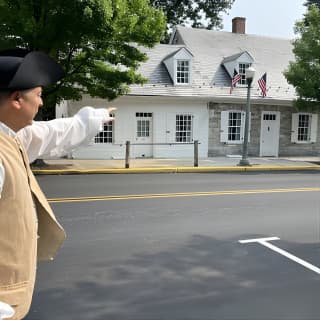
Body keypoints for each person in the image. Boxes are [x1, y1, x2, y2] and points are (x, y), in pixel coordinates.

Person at [0, 49, 114, 319]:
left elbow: (48, 133)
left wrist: (91, 120)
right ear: (17, 99)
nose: (41, 103)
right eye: (38, 95)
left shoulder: (10, 137)